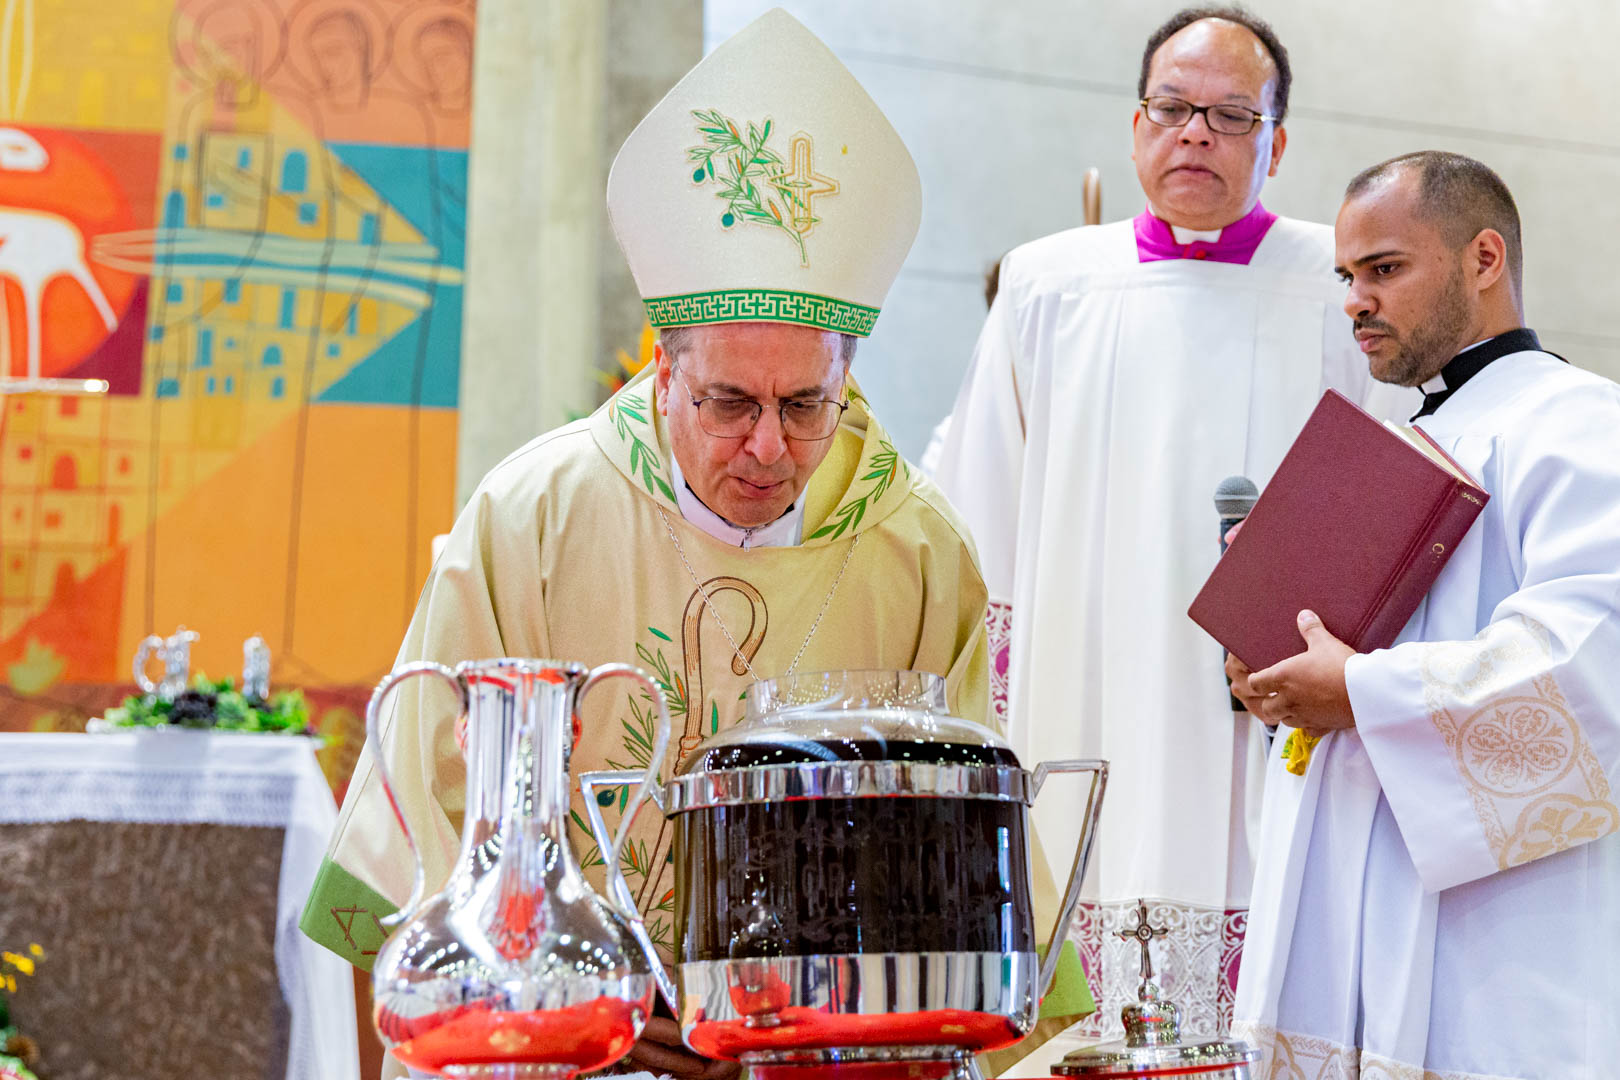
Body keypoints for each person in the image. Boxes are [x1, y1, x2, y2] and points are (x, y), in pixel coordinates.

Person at [298, 11, 1090, 1078]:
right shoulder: (535, 513)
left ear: (846, 377)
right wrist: (592, 985)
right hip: (576, 1045)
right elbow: (431, 790)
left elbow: (964, 827)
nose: (769, 445)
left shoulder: (916, 547)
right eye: (728, 401)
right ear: (663, 368)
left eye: (806, 404)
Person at [932, 5, 1415, 1049]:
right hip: (1083, 697)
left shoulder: (1342, 291)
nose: (1196, 133)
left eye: (1232, 116)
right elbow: (979, 518)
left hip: (1266, 719)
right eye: (1174, 108)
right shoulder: (1046, 284)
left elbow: (1393, 503)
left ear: (1278, 142)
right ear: (1136, 123)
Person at [1227, 151, 1620, 1078]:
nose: (1356, 299)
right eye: (1347, 277)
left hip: (1499, 937)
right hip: (1350, 896)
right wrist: (1275, 678)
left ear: (1485, 258)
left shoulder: (1581, 426)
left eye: (1385, 269)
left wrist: (1360, 691)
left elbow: (1591, 663)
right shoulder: (1399, 441)